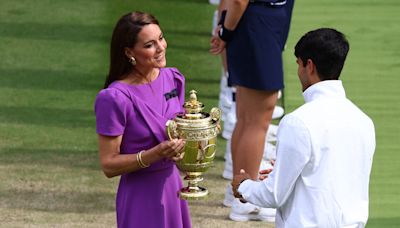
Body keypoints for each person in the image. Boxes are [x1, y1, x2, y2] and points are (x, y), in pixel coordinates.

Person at [232, 28, 376, 227]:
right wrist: (283, 171)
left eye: (299, 64)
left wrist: (243, 185)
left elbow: (274, 194)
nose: (299, 71)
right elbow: (333, 174)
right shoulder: (364, 121)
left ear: (309, 66)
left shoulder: (297, 122)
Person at [94, 11, 191, 228]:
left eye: (161, 38)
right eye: (149, 45)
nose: (160, 48)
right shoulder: (114, 98)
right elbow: (108, 165)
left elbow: (182, 132)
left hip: (174, 189)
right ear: (129, 52)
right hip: (141, 197)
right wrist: (153, 155)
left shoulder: (173, 79)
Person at [210, 0, 294, 222]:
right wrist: (225, 32)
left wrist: (224, 29)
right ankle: (246, 200)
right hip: (258, 25)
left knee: (247, 118)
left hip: (259, 24)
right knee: (257, 120)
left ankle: (237, 191)